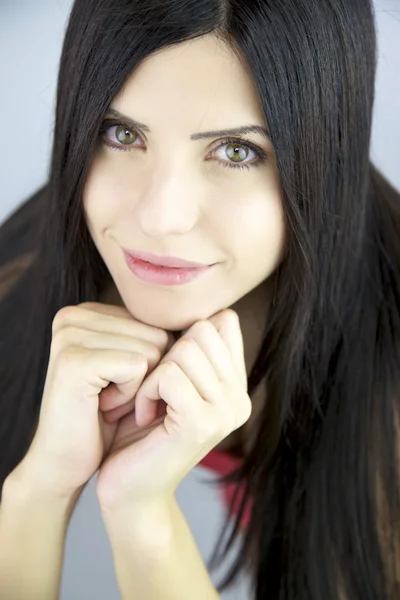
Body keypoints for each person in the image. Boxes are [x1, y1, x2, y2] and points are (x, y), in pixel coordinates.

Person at [0, 0, 399, 598]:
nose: (160, 217)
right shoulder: (22, 270)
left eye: (236, 151)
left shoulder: (387, 400)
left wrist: (141, 514)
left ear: (325, 156)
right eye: (122, 133)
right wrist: (36, 493)